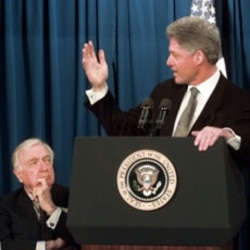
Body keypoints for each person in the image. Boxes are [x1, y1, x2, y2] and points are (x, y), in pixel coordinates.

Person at [82, 16, 250, 169]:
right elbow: (126, 131)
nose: (168, 62)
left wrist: (227, 135)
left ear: (198, 57)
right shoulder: (165, 92)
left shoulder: (238, 100)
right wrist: (99, 86)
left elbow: (246, 147)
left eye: (174, 55)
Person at [0, 138, 80, 250]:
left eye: (47, 160)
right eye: (34, 163)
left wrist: (52, 209)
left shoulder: (72, 196)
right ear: (19, 174)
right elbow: (3, 245)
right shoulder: (5, 204)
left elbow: (82, 238)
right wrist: (46, 246)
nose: (44, 168)